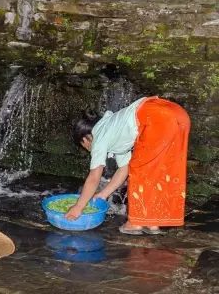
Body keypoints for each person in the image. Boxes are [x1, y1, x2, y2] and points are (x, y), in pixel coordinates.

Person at [65, 96, 190, 235]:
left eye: (84, 146)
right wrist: (103, 194)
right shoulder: (114, 131)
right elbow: (123, 169)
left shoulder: (98, 136)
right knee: (158, 170)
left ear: (85, 139)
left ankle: (135, 223)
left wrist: (78, 206)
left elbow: (94, 177)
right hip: (179, 115)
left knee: (139, 168)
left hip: (156, 116)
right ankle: (152, 223)